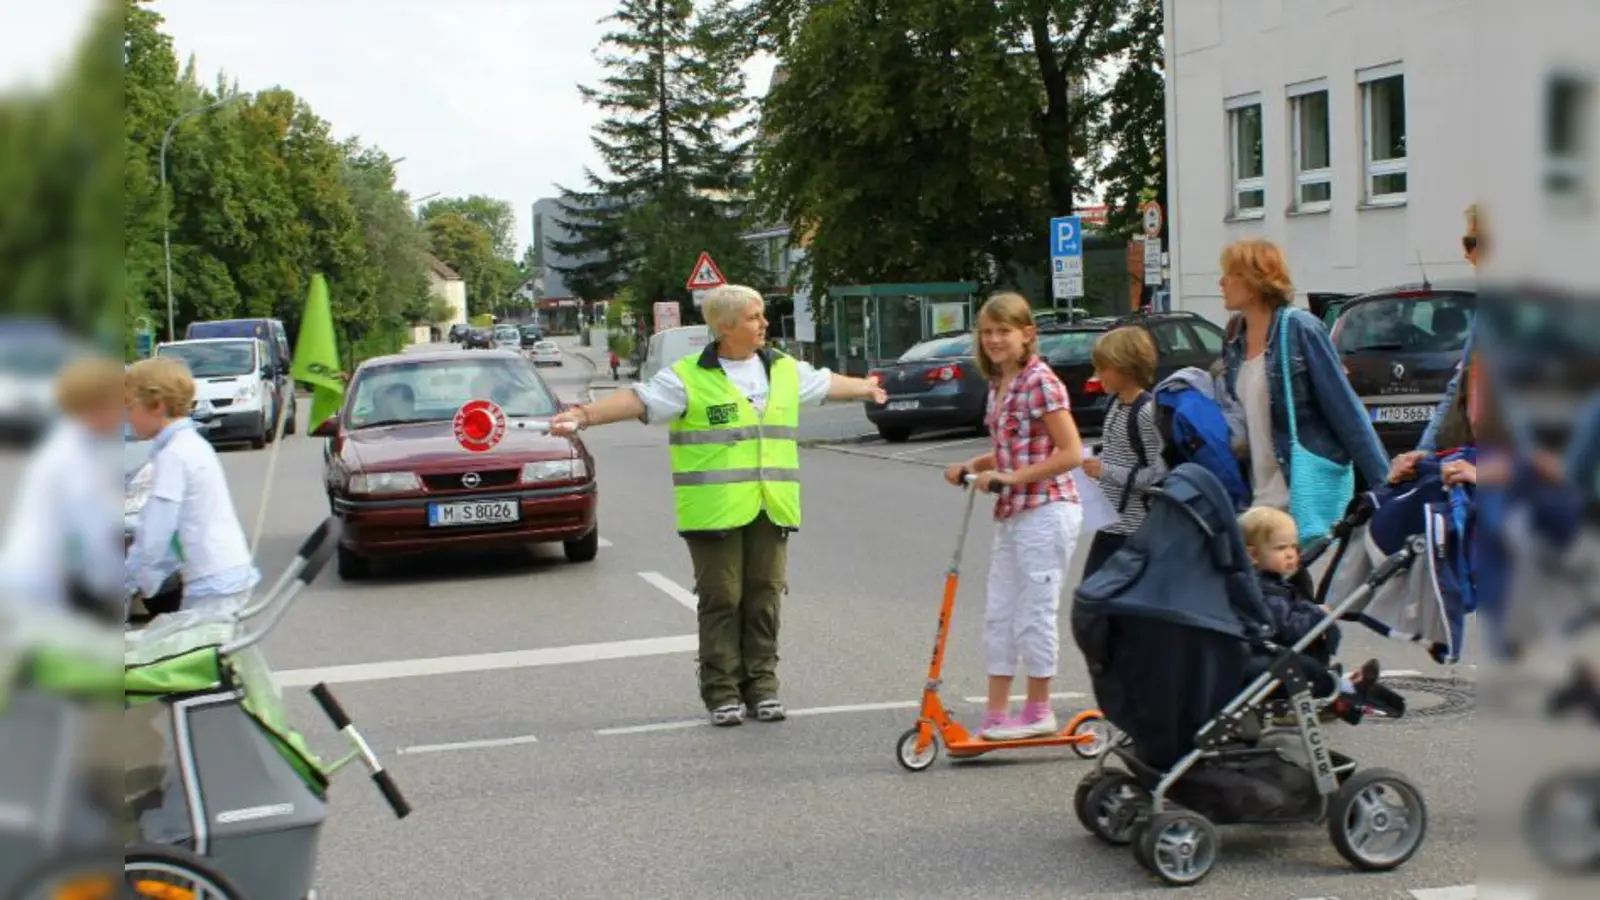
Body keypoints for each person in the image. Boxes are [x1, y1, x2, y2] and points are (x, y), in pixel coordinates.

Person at [549, 284, 885, 726]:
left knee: (764, 596)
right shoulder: (688, 377)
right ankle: (722, 691)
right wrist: (583, 415)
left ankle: (762, 686)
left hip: (770, 505)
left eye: (762, 315)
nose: (764, 324)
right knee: (722, 598)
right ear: (725, 327)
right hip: (713, 510)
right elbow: (638, 399)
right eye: (754, 317)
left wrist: (866, 388)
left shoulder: (782, 369)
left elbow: (826, 383)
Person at [942, 292, 1085, 741]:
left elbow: (1071, 452)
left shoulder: (1040, 382)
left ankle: (1039, 711)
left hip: (1046, 507)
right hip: (1013, 511)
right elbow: (1013, 445)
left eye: (1003, 331)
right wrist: (975, 465)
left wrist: (1010, 477)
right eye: (987, 332)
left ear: (1027, 334)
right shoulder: (999, 382)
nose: (994, 340)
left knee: (1034, 613)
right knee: (999, 613)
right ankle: (997, 713)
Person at [1219, 239, 1388, 526]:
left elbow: (1347, 414)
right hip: (1255, 506)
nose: (1221, 282)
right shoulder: (1234, 339)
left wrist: (1386, 491)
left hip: (1303, 498)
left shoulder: (1300, 329)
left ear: (1254, 280)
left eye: (1230, 274)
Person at [1239, 506, 1405, 722]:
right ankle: (1345, 690)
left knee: (1313, 669)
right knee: (1310, 671)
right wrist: (1317, 614)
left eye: (1293, 547)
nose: (1290, 554)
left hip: (1276, 654)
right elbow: (1289, 628)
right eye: (1281, 548)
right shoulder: (1265, 592)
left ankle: (1341, 687)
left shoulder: (1263, 584)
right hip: (1278, 657)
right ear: (1253, 555)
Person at [125, 357, 260, 616]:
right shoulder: (190, 444)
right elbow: (171, 533)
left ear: (157, 405)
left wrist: (134, 579)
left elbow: (156, 529)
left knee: (194, 640)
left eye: (130, 407)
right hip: (223, 572)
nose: (127, 417)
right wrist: (145, 575)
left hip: (213, 580)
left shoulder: (174, 455)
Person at [0, 356, 125, 618]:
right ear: (96, 406)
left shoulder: (76, 446)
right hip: (38, 585)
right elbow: (97, 536)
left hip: (37, 579)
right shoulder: (73, 458)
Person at [1081, 326, 1166, 576]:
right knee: (1092, 592)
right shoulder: (1115, 403)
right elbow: (1116, 449)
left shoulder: (1145, 412)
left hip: (1134, 530)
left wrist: (1105, 471)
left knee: (1101, 594)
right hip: (1110, 523)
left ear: (1126, 367)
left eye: (1103, 368)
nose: (1097, 375)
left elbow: (1157, 474)